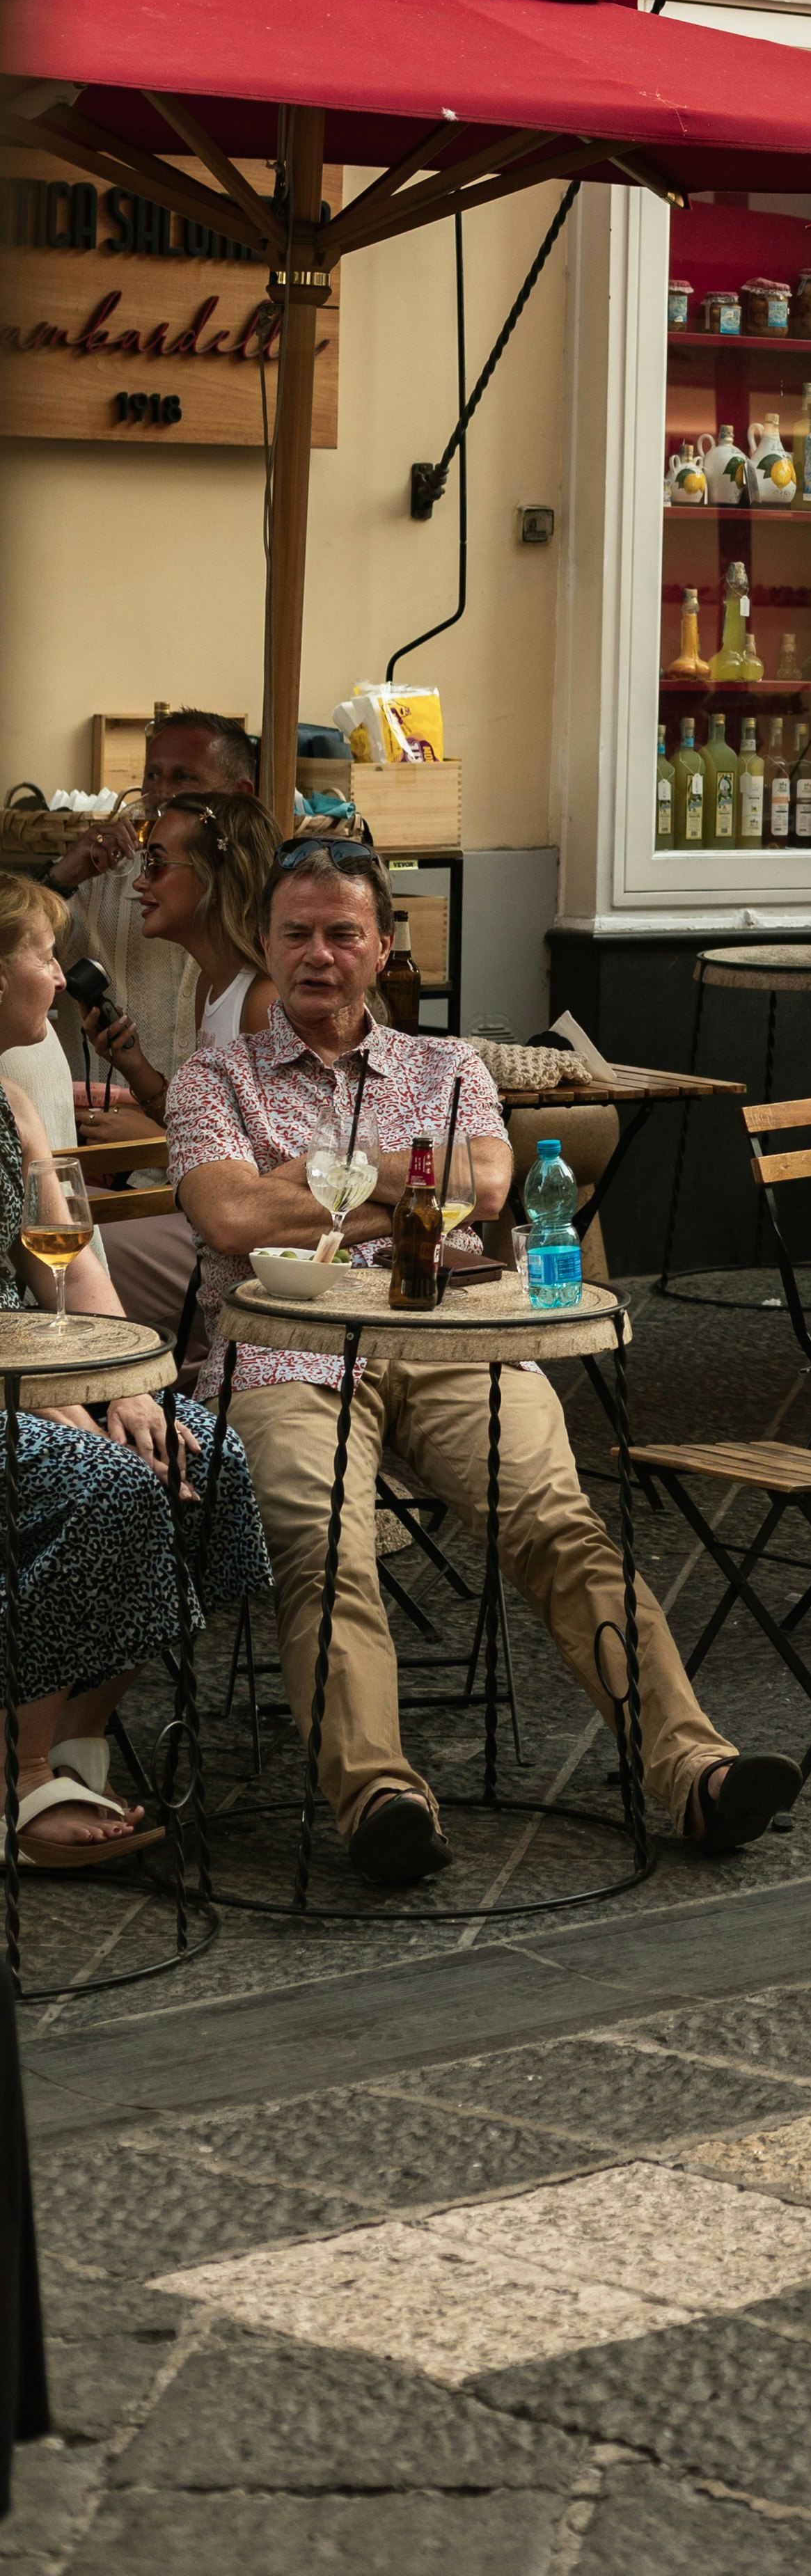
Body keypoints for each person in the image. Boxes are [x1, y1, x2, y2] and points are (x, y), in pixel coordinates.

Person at [169, 838, 801, 1886]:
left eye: (341, 934)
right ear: (269, 945)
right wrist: (411, 1184)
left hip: (457, 1343)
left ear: (381, 949)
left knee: (561, 1527)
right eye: (296, 934)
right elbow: (231, 1217)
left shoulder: (448, 1065)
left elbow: (493, 1190)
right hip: (286, 1354)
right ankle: (381, 1795)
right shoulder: (214, 1076)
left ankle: (696, 1770)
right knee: (328, 1547)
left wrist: (323, 1178)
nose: (316, 955)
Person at [0, 876, 268, 1871]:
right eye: (41, 954)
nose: (60, 977)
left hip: (42, 1377)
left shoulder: (16, 1104)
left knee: (207, 1461)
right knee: (103, 1482)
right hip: (12, 1391)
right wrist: (69, 1408)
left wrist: (129, 1391)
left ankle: (76, 1728)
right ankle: (21, 1781)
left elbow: (76, 1277)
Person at [47, 712, 257, 1106]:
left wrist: (155, 1141)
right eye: (152, 775)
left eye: (183, 777)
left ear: (240, 794)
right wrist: (62, 875)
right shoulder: (92, 886)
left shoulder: (268, 940)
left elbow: (263, 1142)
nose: (159, 794)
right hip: (106, 1155)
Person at [73, 793, 278, 1121]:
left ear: (217, 875)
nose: (140, 882)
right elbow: (203, 1123)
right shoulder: (209, 984)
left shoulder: (264, 1003)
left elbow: (277, 1153)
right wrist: (135, 1065)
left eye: (156, 864)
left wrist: (160, 1144)